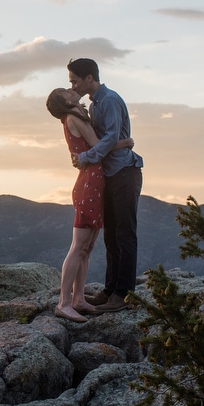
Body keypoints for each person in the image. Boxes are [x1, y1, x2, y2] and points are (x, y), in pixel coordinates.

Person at [46, 88, 134, 322]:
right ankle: (64, 303)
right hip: (89, 183)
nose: (72, 90)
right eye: (67, 90)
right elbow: (98, 145)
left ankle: (78, 299)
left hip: (93, 181)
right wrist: (126, 142)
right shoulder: (74, 117)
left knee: (87, 247)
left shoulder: (74, 117)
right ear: (65, 101)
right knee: (79, 246)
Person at [67, 58, 144, 314]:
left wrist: (86, 158)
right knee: (111, 235)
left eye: (75, 81)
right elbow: (106, 140)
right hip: (111, 174)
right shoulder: (94, 104)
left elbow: (110, 137)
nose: (74, 86)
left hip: (124, 172)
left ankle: (124, 293)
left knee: (124, 234)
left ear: (90, 78)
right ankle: (111, 289)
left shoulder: (109, 100)